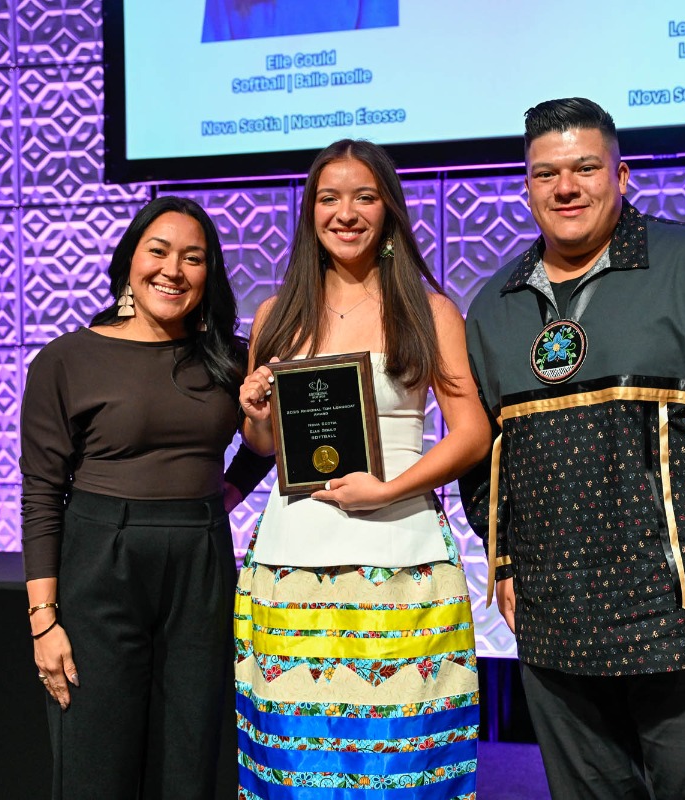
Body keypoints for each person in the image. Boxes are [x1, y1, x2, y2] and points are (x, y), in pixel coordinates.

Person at [459, 98, 685, 799]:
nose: (566, 188)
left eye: (586, 168)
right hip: (554, 619)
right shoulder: (493, 306)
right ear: (526, 187)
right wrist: (502, 557)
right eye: (546, 174)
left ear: (621, 176)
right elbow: (486, 457)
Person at [237, 139, 492, 798]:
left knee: (400, 762)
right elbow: (264, 445)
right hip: (291, 566)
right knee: (298, 764)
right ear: (309, 212)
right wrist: (255, 411)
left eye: (364, 197)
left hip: (401, 560)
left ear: (389, 210)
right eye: (329, 198)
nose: (345, 213)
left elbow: (471, 434)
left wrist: (388, 490)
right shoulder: (274, 316)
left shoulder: (429, 311)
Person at [20, 196, 273, 799]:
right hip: (100, 561)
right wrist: (43, 621)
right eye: (158, 251)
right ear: (129, 261)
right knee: (95, 762)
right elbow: (42, 495)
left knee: (189, 757)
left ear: (209, 273)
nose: (173, 270)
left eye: (193, 258)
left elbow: (263, 447)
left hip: (201, 563)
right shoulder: (66, 359)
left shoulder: (230, 358)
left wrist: (221, 498)